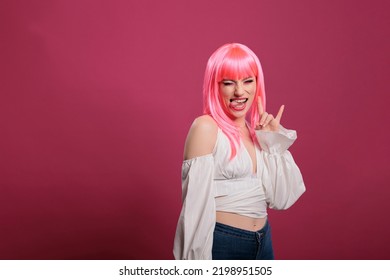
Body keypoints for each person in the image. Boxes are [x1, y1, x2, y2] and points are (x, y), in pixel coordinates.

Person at [173, 43, 305, 260]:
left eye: (247, 81)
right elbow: (194, 210)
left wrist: (273, 141)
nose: (239, 91)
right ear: (215, 86)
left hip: (263, 241)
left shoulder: (256, 132)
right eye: (228, 83)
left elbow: (282, 198)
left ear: (257, 83)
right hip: (224, 242)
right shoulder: (206, 127)